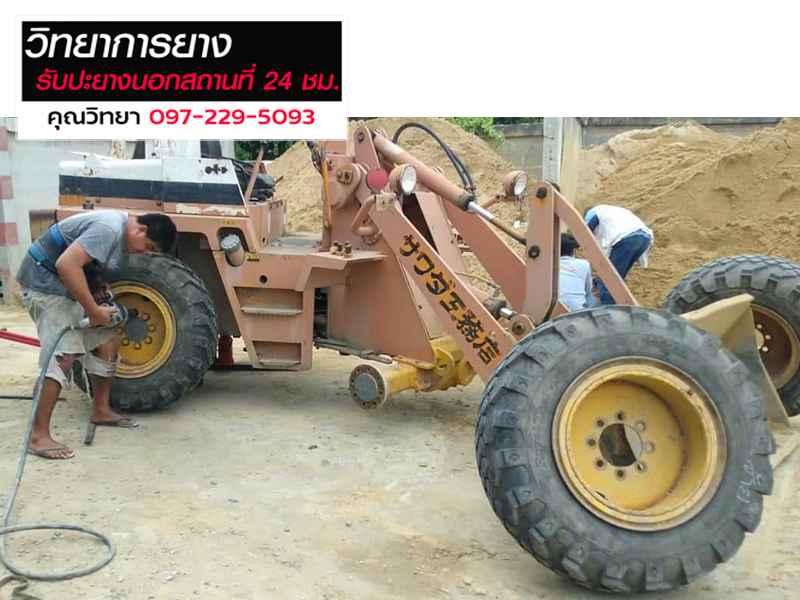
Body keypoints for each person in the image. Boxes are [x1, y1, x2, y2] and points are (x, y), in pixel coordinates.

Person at [16, 211, 177, 459]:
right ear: (141, 230)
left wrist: (97, 283)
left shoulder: (119, 236)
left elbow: (82, 261)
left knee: (109, 337)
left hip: (61, 283)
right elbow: (66, 264)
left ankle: (101, 410)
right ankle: (38, 437)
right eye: (148, 247)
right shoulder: (109, 228)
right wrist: (92, 310)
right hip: (44, 284)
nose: (145, 253)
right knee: (62, 356)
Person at [584, 204, 653, 305]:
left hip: (627, 239)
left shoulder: (593, 212)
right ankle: (618, 300)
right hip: (644, 239)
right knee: (618, 276)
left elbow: (584, 231)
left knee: (609, 280)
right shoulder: (611, 212)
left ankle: (610, 309)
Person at [559, 233, 596, 311]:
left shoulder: (548, 264)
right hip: (576, 311)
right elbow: (588, 290)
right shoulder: (584, 264)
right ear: (574, 251)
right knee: (591, 297)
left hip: (553, 307)